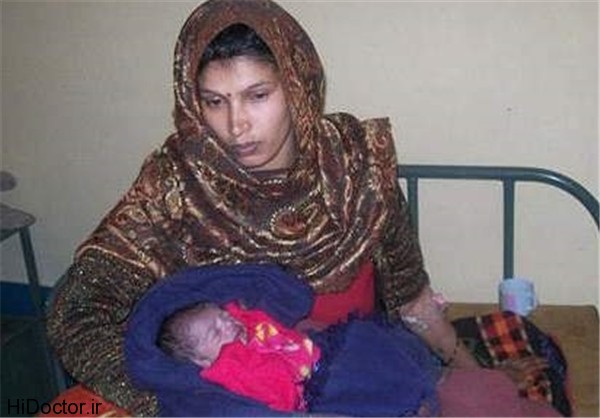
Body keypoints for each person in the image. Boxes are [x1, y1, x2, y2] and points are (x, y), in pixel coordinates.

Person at [47, 0, 560, 416]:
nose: (235, 126)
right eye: (213, 101)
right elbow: (77, 310)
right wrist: (172, 397)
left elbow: (409, 295)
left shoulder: (357, 166)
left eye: (257, 95)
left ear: (296, 86)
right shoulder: (177, 185)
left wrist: (470, 372)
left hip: (363, 373)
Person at [125, 263, 442, 417]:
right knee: (360, 385)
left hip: (319, 354)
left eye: (222, 315)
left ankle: (415, 377)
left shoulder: (240, 329)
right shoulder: (229, 366)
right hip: (311, 387)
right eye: (216, 331)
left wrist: (232, 314)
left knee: (369, 339)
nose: (227, 323)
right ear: (200, 360)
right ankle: (408, 403)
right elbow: (279, 392)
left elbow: (259, 308)